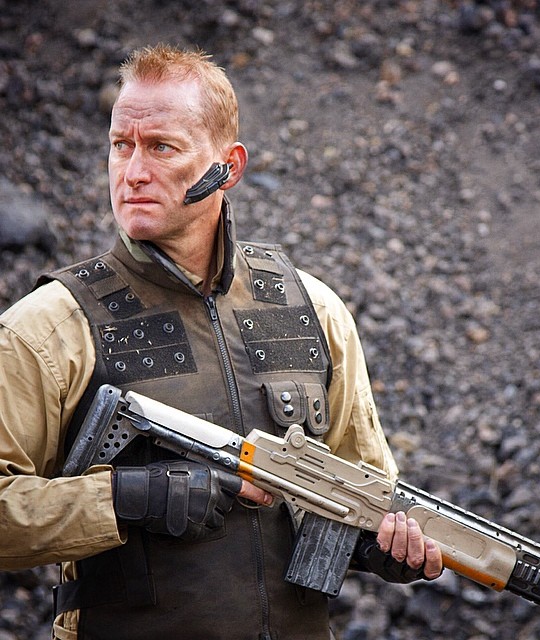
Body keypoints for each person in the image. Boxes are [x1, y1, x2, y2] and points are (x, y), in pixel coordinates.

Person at [0, 44, 442, 640]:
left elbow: (364, 491)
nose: (133, 172)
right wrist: (131, 497)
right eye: (121, 145)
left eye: (162, 147)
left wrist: (384, 549)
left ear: (227, 167)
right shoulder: (50, 327)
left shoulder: (314, 311)